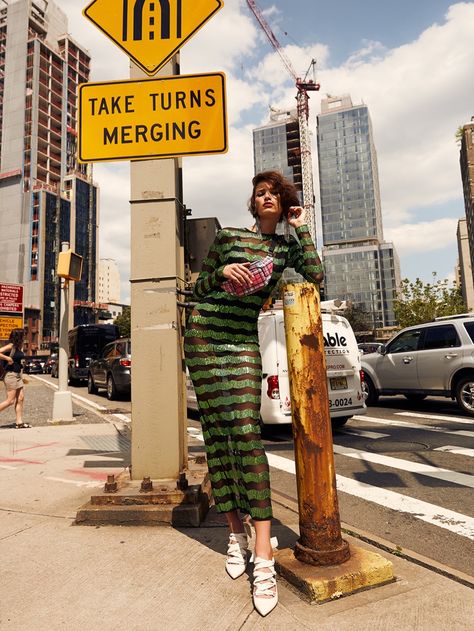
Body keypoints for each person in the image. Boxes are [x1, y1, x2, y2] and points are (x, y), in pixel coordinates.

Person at [184, 170, 323, 616]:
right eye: (260, 193)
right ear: (253, 202)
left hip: (241, 340)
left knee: (245, 432)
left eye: (275, 195)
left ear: (283, 204)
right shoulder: (227, 240)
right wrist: (220, 270)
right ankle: (233, 533)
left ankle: (263, 554)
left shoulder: (284, 247)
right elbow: (199, 288)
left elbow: (317, 277)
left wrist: (300, 227)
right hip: (205, 338)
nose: (266, 198)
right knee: (219, 436)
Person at [0, 328, 30, 429]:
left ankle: (19, 422)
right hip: (10, 375)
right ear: (19, 336)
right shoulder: (11, 346)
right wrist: (7, 358)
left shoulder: (18, 347)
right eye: (23, 335)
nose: (24, 337)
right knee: (10, 401)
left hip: (17, 375)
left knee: (21, 398)